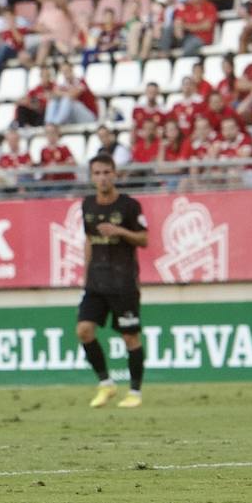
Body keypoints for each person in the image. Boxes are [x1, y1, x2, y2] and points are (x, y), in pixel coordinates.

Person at [77, 155, 149, 409]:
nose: (102, 177)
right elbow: (88, 240)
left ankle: (135, 393)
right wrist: (85, 276)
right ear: (91, 176)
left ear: (115, 174)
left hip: (123, 283)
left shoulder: (130, 206)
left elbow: (144, 239)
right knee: (84, 331)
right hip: (96, 282)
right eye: (97, 173)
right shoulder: (87, 205)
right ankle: (106, 383)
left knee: (130, 337)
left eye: (107, 172)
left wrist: (120, 231)